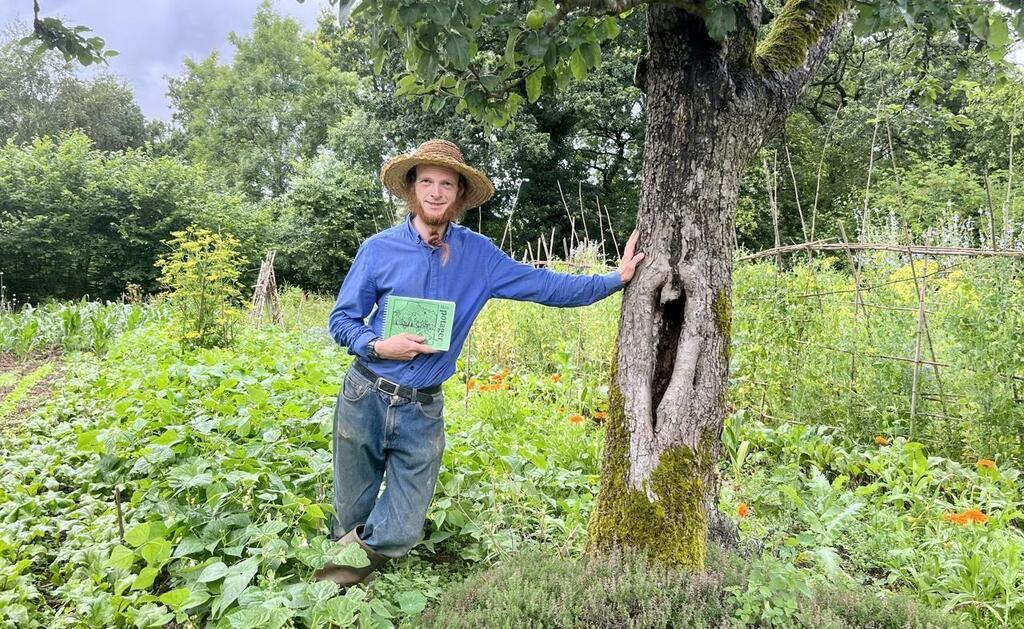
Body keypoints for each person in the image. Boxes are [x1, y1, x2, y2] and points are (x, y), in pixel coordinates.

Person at [316, 139, 645, 586]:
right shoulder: (379, 250)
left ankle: (340, 575)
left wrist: (614, 279)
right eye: (426, 181)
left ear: (458, 195)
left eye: (446, 184)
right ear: (412, 189)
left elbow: (545, 286)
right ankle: (343, 592)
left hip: (422, 408)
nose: (435, 191)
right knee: (351, 504)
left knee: (404, 525)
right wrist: (378, 345)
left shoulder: (480, 255)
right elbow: (342, 319)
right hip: (366, 393)